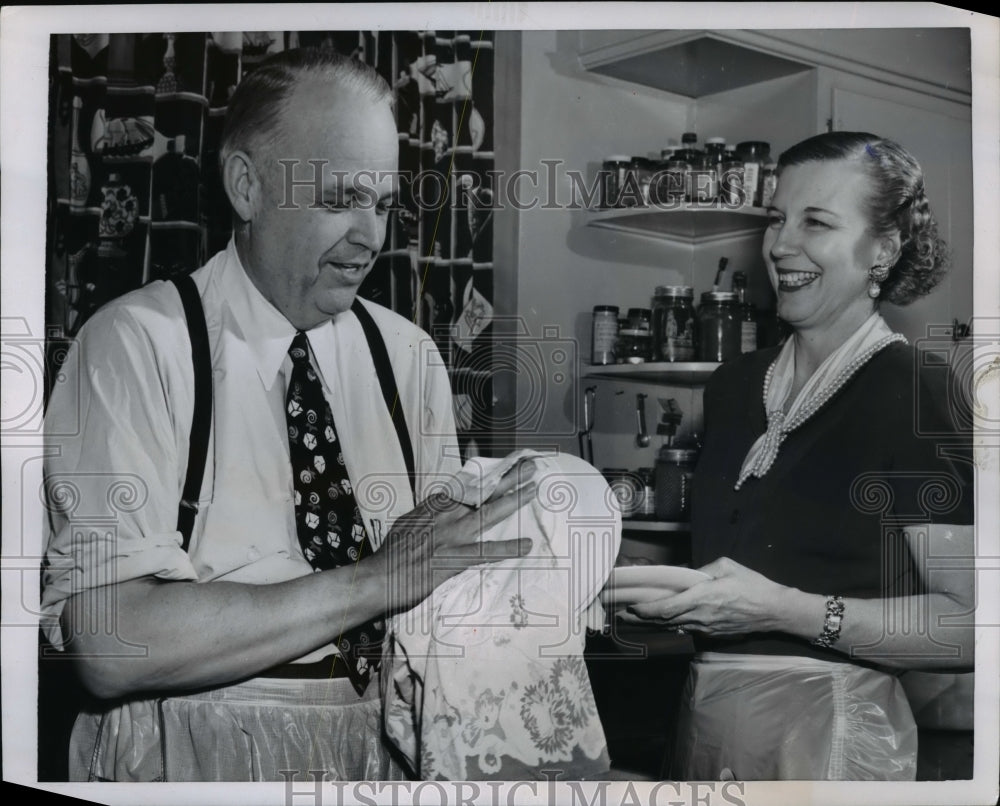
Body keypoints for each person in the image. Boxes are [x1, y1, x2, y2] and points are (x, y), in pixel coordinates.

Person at [39, 48, 538, 782]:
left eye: (384, 203)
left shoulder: (410, 357)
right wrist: (374, 581)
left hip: (383, 752)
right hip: (192, 760)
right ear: (247, 185)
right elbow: (112, 646)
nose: (371, 237)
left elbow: (438, 597)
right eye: (340, 199)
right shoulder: (136, 344)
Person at [623, 132, 975, 780]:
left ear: (884, 250)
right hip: (706, 718)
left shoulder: (914, 391)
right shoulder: (731, 387)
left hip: (835, 736)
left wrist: (784, 608)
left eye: (816, 221)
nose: (781, 245)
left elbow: (972, 626)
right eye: (777, 218)